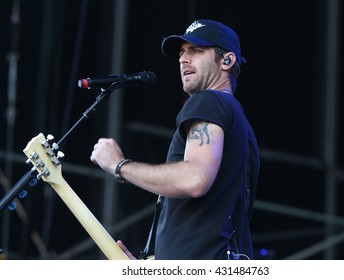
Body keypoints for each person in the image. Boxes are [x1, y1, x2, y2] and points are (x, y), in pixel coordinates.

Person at [90, 19, 260, 260]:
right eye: (182, 52)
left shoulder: (209, 101)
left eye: (196, 50)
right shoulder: (238, 122)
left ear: (227, 60)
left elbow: (195, 179)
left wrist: (119, 165)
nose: (183, 59)